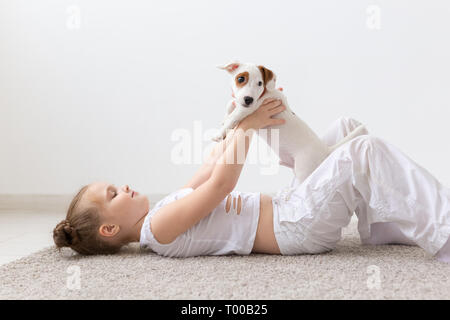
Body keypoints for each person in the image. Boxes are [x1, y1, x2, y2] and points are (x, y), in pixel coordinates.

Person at [53, 98, 450, 263]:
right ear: (109, 227)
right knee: (364, 152)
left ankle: (377, 227)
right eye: (113, 193)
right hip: (296, 227)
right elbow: (219, 186)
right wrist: (248, 126)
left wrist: (239, 117)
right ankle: (445, 235)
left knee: (346, 129)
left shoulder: (161, 209)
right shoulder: (158, 230)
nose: (124, 187)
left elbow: (210, 167)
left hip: (288, 205)